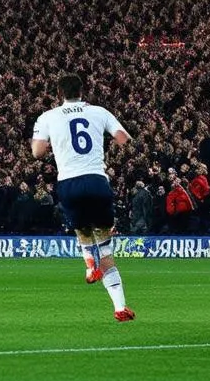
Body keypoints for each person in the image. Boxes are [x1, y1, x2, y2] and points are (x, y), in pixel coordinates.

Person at [31, 73, 135, 322]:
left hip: (68, 183)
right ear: (82, 91)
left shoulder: (48, 117)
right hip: (97, 180)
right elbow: (124, 140)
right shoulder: (99, 112)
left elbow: (37, 152)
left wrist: (56, 145)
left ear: (59, 93)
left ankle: (89, 265)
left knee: (82, 231)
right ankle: (120, 307)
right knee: (106, 246)